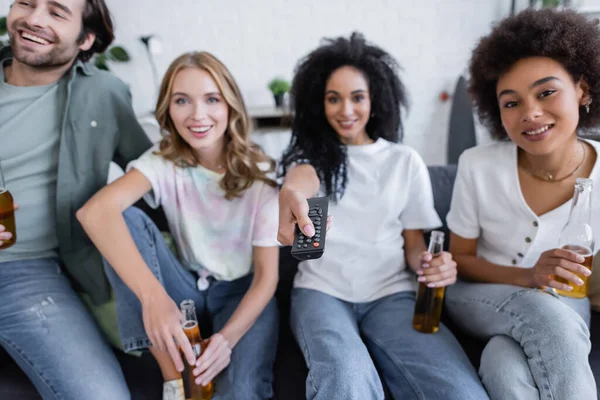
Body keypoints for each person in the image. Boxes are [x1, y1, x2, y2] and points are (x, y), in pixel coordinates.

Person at [277, 32, 488, 400]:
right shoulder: (312, 161)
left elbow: (412, 245)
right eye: (333, 99)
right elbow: (301, 181)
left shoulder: (403, 161)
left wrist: (430, 264)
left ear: (375, 100)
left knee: (460, 392)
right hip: (322, 294)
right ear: (318, 104)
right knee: (346, 382)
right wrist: (292, 193)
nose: (346, 110)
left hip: (392, 295)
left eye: (357, 97)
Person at [77, 51, 280, 400]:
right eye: (182, 101)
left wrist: (226, 340)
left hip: (241, 291)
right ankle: (175, 382)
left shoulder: (261, 175)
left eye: (212, 100)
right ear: (168, 110)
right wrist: (155, 299)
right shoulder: (162, 162)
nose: (197, 115)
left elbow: (267, 278)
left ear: (230, 106)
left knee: (244, 389)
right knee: (121, 218)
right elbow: (93, 213)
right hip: (183, 286)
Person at [444, 8, 600, 400]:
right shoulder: (477, 166)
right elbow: (459, 258)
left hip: (566, 300)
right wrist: (531, 277)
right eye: (511, 102)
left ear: (582, 90)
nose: (530, 113)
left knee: (503, 366)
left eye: (546, 92)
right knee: (547, 317)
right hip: (480, 293)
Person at [0, 0, 151, 398]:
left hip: (25, 275)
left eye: (56, 12)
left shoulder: (105, 95)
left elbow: (156, 178)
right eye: (26, 3)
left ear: (85, 39)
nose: (33, 19)